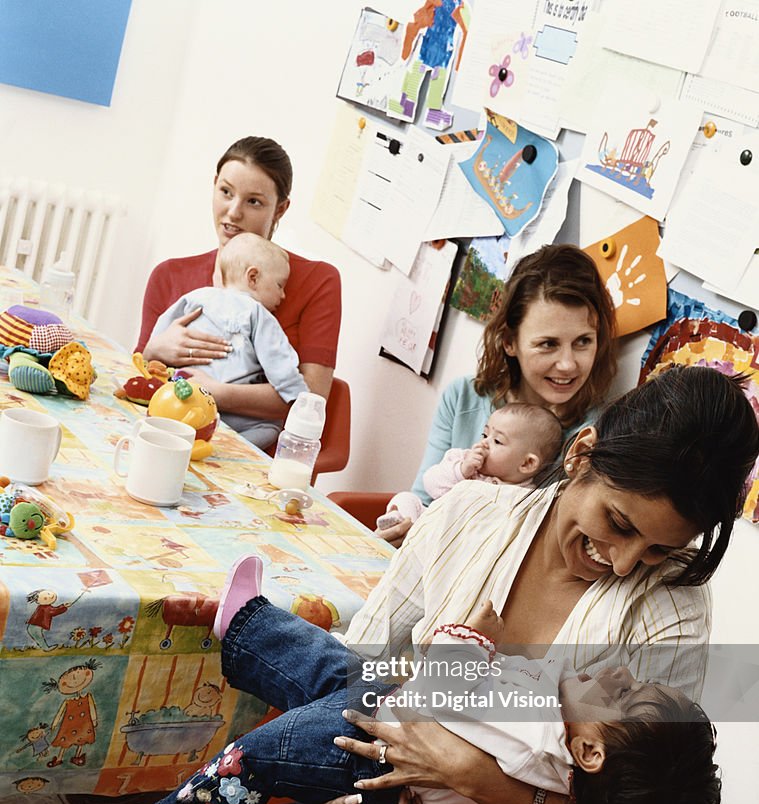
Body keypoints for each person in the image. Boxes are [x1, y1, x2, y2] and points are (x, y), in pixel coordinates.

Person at [87, 366, 759, 804]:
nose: (621, 562)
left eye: (653, 549)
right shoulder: (468, 515)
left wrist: (475, 779)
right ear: (581, 454)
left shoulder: (670, 609)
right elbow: (359, 672)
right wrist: (344, 801)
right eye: (618, 523)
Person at [123, 579, 720, 804]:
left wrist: (464, 640)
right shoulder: (555, 732)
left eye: (625, 695)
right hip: (393, 724)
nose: (618, 674)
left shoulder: (538, 733)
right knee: (335, 667)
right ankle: (248, 626)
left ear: (591, 754)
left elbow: (441, 695)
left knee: (262, 754)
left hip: (369, 757)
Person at [378, 243, 617, 545]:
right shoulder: (464, 397)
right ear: (509, 342)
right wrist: (402, 528)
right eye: (547, 344)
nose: (568, 364)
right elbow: (425, 496)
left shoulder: (602, 432)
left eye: (583, 341)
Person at [136, 135, 340, 436]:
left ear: (280, 209)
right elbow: (139, 377)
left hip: (255, 449)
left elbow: (309, 400)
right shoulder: (169, 275)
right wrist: (155, 349)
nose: (233, 212)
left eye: (254, 201)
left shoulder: (318, 282)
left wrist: (214, 393)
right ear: (215, 184)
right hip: (166, 432)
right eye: (226, 192)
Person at [149, 233, 306, 448]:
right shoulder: (258, 314)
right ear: (253, 278)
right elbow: (279, 361)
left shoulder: (197, 297)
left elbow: (160, 335)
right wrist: (299, 395)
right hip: (236, 417)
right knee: (270, 429)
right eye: (280, 286)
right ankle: (222, 448)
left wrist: (152, 354)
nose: (283, 296)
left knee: (164, 409)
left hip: (185, 400)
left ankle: (181, 437)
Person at [380, 402, 562, 526]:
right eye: (485, 435)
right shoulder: (462, 459)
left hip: (459, 543)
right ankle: (401, 522)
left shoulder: (524, 498)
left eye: (497, 441)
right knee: (406, 499)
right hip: (428, 522)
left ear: (527, 463)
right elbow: (431, 483)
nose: (484, 443)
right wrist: (462, 471)